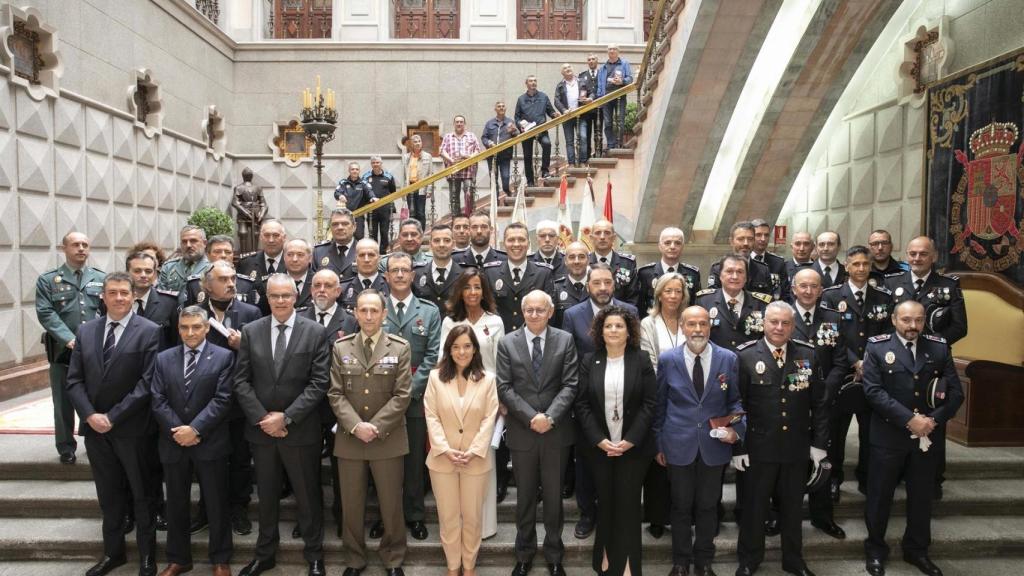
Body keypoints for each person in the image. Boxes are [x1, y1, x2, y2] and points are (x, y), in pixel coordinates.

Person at [233, 274, 331, 576]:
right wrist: (265, 419)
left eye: (285, 295)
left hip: (300, 431)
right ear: (267, 297)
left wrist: (285, 417)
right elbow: (241, 380)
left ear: (296, 295)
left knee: (308, 497)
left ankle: (314, 556)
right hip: (262, 432)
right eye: (274, 296)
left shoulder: (315, 332)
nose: (279, 301)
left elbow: (319, 383)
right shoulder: (251, 331)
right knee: (266, 497)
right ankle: (265, 554)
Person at [65, 271, 162, 576]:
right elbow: (74, 381)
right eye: (113, 292)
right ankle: (113, 553)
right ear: (103, 297)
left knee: (142, 495)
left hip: (133, 430)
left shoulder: (149, 331)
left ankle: (148, 557)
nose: (119, 297)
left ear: (134, 296)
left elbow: (147, 383)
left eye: (124, 292)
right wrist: (91, 416)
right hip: (96, 431)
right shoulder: (86, 331)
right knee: (109, 496)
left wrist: (114, 416)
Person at [862, 300, 963, 576]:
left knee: (921, 497)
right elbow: (873, 392)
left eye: (918, 320)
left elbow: (956, 394)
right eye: (906, 320)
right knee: (880, 497)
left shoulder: (938, 346)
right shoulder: (878, 346)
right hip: (888, 437)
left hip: (926, 438)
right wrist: (910, 419)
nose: (913, 326)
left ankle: (917, 551)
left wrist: (933, 420)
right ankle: (875, 551)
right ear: (894, 320)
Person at [733, 302, 828, 576]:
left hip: (796, 448)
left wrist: (819, 444)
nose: (779, 328)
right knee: (754, 507)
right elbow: (736, 404)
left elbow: (820, 404)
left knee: (793, 509)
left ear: (793, 325)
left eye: (785, 323)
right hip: (758, 448)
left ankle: (794, 560)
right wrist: (739, 446)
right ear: (763, 323)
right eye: (774, 322)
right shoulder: (746, 356)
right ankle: (749, 560)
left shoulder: (808, 354)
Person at [654, 306, 744, 576]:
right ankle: (681, 562)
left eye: (703, 324)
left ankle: (704, 562)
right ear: (682, 326)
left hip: (713, 446)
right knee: (680, 507)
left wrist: (736, 431)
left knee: (707, 507)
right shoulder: (668, 359)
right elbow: (659, 405)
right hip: (677, 444)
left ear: (710, 326)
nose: (697, 330)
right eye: (691, 324)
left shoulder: (727, 358)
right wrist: (658, 443)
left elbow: (736, 402)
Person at [329, 290, 412, 576]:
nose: (368, 316)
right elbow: (335, 394)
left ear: (384, 314)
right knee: (351, 506)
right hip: (350, 438)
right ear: (355, 313)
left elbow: (402, 395)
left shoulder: (400, 347)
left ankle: (393, 558)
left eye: (374, 311)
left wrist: (375, 427)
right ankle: (354, 559)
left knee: (391, 504)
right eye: (362, 310)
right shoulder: (341, 348)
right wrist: (356, 425)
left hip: (386, 438)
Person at [496, 290, 579, 576]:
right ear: (522, 311)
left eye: (540, 310)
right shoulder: (507, 343)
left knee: (555, 498)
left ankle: (555, 554)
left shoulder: (565, 340)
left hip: (556, 433)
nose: (534, 315)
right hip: (523, 432)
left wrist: (550, 417)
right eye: (529, 310)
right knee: (525, 498)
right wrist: (533, 418)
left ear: (550, 311)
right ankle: (524, 554)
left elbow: (570, 385)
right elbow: (504, 387)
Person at [149, 306, 235, 576]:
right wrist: (179, 429)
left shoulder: (223, 357)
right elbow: (157, 399)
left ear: (207, 328)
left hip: (210, 442)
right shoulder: (163, 359)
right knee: (175, 503)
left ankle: (220, 559)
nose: (190, 332)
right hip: (174, 443)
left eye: (196, 327)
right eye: (184, 327)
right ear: (178, 328)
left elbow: (223, 400)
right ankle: (178, 558)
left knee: (217, 503)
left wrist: (195, 429)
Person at [574, 306, 657, 576]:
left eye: (619, 326)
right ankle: (606, 561)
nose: (613, 330)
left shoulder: (641, 359)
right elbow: (583, 404)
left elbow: (650, 403)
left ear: (629, 330)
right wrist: (599, 440)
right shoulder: (589, 360)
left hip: (634, 449)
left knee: (629, 506)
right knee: (606, 504)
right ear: (600, 330)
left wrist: (630, 440)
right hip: (599, 449)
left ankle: (630, 566)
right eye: (608, 326)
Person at [884, 236, 967, 500]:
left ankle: (933, 479)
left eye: (923, 254)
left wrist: (929, 345)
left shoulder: (948, 285)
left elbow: (959, 327)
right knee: (900, 414)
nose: (917, 258)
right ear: (906, 256)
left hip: (934, 364)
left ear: (934, 256)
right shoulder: (892, 283)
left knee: (933, 417)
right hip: (897, 363)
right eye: (912, 253)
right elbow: (887, 325)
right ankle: (899, 471)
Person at [191, 261, 263, 537]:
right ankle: (206, 510)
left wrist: (243, 345)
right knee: (205, 459)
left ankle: (238, 508)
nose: (232, 283)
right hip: (202, 402)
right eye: (223, 279)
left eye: (233, 278)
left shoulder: (251, 312)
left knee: (240, 458)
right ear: (207, 285)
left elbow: (266, 357)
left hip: (238, 402)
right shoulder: (193, 314)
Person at [373, 252, 442, 542]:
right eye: (394, 271)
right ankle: (384, 517)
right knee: (382, 463)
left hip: (414, 400)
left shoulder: (429, 311)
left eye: (405, 270)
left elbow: (432, 355)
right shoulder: (375, 308)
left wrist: (408, 391)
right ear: (386, 276)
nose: (400, 275)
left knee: (414, 461)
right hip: (378, 401)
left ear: (413, 276)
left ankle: (414, 515)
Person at [424, 325, 501, 576]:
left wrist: (474, 449)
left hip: (475, 460)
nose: (461, 351)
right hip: (442, 460)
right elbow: (431, 415)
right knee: (448, 518)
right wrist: (445, 449)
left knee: (472, 518)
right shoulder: (436, 377)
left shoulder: (488, 379)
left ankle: (469, 567)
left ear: (475, 348)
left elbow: (490, 418)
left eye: (467, 346)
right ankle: (452, 566)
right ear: (448, 350)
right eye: (456, 346)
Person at [820, 246, 893, 502]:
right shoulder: (830, 296)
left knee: (870, 432)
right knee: (836, 434)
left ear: (870, 266)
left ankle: (866, 477)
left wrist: (869, 364)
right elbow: (832, 335)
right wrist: (855, 363)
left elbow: (887, 335)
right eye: (856, 264)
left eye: (865, 264)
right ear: (847, 267)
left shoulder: (883, 297)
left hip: (874, 376)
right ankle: (834, 479)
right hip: (842, 374)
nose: (861, 269)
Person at [439, 266, 506, 519]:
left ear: (484, 290)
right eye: (467, 287)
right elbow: (442, 361)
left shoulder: (495, 321)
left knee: (481, 457)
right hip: (456, 399)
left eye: (477, 287)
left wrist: (502, 398)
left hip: (487, 398)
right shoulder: (450, 322)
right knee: (459, 458)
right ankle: (460, 520)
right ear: (460, 291)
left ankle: (484, 523)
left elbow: (502, 362)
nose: (472, 292)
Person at [789, 268, 851, 540]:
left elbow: (840, 361)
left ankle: (822, 516)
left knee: (824, 459)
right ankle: (783, 515)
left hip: (825, 402)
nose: (808, 291)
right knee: (789, 462)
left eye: (814, 286)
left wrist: (825, 390)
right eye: (803, 285)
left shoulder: (833, 318)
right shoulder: (782, 316)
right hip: (791, 404)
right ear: (793, 288)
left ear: (821, 289)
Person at [36, 231, 105, 463]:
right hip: (62, 351)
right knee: (63, 401)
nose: (81, 248)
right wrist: (69, 339)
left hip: (94, 351)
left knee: (93, 396)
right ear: (64, 248)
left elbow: (106, 312)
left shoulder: (100, 278)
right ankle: (66, 447)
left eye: (85, 244)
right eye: (75, 244)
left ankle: (94, 441)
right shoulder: (48, 280)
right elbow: (46, 313)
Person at [302, 269, 358, 535]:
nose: (322, 290)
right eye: (317, 285)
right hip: (306, 408)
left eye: (328, 285)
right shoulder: (298, 318)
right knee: (307, 468)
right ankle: (310, 521)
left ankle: (341, 518)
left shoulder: (350, 321)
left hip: (339, 407)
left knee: (341, 470)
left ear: (339, 291)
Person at [638, 272, 689, 538]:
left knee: (682, 460)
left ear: (683, 295)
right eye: (667, 291)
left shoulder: (689, 319)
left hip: (688, 402)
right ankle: (657, 517)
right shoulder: (648, 323)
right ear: (659, 294)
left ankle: (680, 513)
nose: (672, 296)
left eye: (677, 291)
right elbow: (650, 361)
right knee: (657, 461)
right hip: (659, 398)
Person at [483, 222, 556, 333]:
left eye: (521, 240)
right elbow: (486, 310)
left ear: (528, 243)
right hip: (501, 339)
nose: (516, 244)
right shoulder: (490, 273)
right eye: (511, 240)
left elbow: (550, 313)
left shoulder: (543, 273)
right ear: (504, 244)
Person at [696, 255, 772, 351]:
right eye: (729, 271)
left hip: (750, 363)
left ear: (746, 278)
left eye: (740, 272)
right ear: (720, 275)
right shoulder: (704, 301)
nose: (735, 276)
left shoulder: (762, 303)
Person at [181, 235, 260, 308]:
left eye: (228, 252)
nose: (223, 255)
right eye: (217, 252)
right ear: (208, 255)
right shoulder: (194, 284)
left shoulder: (247, 284)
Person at [637, 227, 701, 313]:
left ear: (682, 247)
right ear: (660, 246)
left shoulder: (693, 274)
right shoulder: (645, 273)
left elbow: (695, 305)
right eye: (667, 243)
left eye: (677, 243)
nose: (672, 247)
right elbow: (640, 305)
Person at [515, 75, 561, 186]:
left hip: (541, 128)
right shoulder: (521, 99)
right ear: (526, 83)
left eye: (535, 81)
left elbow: (551, 111)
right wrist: (520, 125)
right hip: (526, 131)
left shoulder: (543, 96)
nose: (533, 83)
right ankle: (530, 181)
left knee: (547, 144)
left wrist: (555, 114)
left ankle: (545, 171)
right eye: (531, 81)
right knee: (527, 156)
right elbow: (517, 117)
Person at [707, 222, 773, 297]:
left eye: (750, 239)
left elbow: (768, 300)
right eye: (740, 239)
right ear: (731, 241)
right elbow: (713, 299)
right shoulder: (718, 268)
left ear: (754, 241)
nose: (746, 243)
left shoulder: (763, 270)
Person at [413, 224, 467, 311]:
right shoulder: (417, 274)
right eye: (437, 240)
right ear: (430, 244)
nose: (441, 245)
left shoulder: (464, 274)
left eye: (446, 240)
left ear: (453, 244)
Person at [440, 115, 483, 217]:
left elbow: (478, 150)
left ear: (465, 124)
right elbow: (441, 150)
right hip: (453, 171)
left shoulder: (471, 136)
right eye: (457, 122)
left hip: (468, 171)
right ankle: (456, 220)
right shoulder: (448, 136)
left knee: (469, 196)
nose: (459, 124)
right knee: (454, 198)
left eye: (461, 122)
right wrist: (450, 160)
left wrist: (469, 157)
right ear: (454, 124)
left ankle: (470, 218)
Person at [588, 219, 638, 307]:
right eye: (598, 233)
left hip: (620, 316)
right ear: (591, 238)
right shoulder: (584, 263)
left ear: (614, 237)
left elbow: (633, 297)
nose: (602, 237)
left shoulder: (627, 263)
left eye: (607, 233)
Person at [482, 101, 520, 205]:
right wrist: (489, 143)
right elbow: (484, 137)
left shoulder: (510, 122)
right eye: (499, 106)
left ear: (505, 109)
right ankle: (496, 200)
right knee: (493, 178)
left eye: (503, 106)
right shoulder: (489, 123)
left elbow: (517, 135)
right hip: (492, 156)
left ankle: (507, 193)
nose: (501, 108)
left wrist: (513, 131)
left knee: (506, 177)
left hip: (505, 156)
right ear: (495, 109)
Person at [597, 44, 633, 150]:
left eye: (614, 49)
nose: (612, 51)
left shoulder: (624, 63)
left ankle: (619, 142)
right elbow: (600, 84)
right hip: (606, 98)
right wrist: (600, 97)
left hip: (619, 97)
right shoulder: (603, 67)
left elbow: (630, 79)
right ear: (607, 52)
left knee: (620, 120)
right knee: (607, 122)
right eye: (609, 49)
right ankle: (610, 144)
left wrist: (622, 81)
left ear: (618, 51)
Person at [553, 63, 590, 166]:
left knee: (583, 137)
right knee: (569, 141)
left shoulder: (582, 81)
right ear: (562, 73)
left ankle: (583, 161)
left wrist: (589, 99)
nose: (568, 69)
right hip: (567, 117)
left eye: (569, 67)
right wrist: (564, 110)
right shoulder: (560, 85)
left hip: (581, 115)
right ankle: (571, 163)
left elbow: (591, 93)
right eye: (565, 68)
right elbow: (556, 100)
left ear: (572, 69)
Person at [340, 239, 391, 311]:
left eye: (371, 255)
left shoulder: (390, 286)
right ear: (355, 259)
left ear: (379, 259)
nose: (366, 260)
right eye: (362, 255)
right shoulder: (343, 289)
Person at [159, 225, 210, 292]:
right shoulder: (169, 267)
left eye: (193, 241)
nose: (188, 245)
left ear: (204, 243)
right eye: (184, 241)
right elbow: (161, 297)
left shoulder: (212, 267)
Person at [552, 241, 591, 329]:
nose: (576, 261)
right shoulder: (555, 289)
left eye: (581, 257)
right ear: (565, 261)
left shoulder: (597, 288)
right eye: (572, 257)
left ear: (588, 260)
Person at [312, 208, 358, 282]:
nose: (340, 227)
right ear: (331, 227)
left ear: (354, 226)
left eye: (345, 224)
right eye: (335, 224)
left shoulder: (363, 251)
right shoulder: (319, 252)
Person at [335, 161, 378, 240]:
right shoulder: (343, 182)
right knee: (346, 236)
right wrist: (340, 195)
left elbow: (369, 191)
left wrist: (373, 197)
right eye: (352, 169)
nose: (355, 171)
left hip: (359, 215)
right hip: (346, 215)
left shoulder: (364, 183)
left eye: (357, 169)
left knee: (359, 236)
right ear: (349, 171)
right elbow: (337, 192)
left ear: (359, 171)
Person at [363, 155, 398, 249]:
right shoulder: (366, 177)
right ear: (371, 164)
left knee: (384, 232)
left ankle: (383, 252)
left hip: (385, 209)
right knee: (372, 233)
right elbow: (363, 192)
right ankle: (374, 250)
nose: (375, 164)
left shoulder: (388, 176)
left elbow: (393, 191)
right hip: (371, 209)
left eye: (377, 162)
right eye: (373, 163)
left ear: (381, 164)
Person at [750, 219, 788, 301]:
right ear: (750, 237)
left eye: (766, 235)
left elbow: (785, 292)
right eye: (758, 235)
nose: (763, 239)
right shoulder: (743, 261)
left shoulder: (778, 263)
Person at [402, 134, 434, 228]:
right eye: (415, 142)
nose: (417, 143)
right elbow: (404, 175)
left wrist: (429, 190)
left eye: (419, 141)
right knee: (412, 213)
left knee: (420, 213)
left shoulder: (428, 156)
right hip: (410, 187)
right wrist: (403, 191)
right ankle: (413, 232)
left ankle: (421, 233)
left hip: (421, 187)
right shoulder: (406, 157)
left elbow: (431, 174)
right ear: (411, 144)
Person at [578, 53, 602, 155]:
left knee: (598, 132)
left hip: (599, 107)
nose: (591, 61)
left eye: (593, 59)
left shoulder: (602, 73)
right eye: (589, 59)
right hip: (586, 109)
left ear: (597, 61)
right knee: (586, 133)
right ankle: (587, 154)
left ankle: (598, 153)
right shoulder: (582, 75)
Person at [283, 239, 315, 311]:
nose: (294, 259)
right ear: (284, 257)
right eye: (290, 254)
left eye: (300, 255)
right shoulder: (274, 282)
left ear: (310, 258)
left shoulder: (319, 283)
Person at [784, 232, 815, 302]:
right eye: (798, 244)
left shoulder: (818, 269)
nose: (801, 248)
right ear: (791, 247)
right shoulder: (782, 268)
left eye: (806, 244)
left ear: (813, 247)